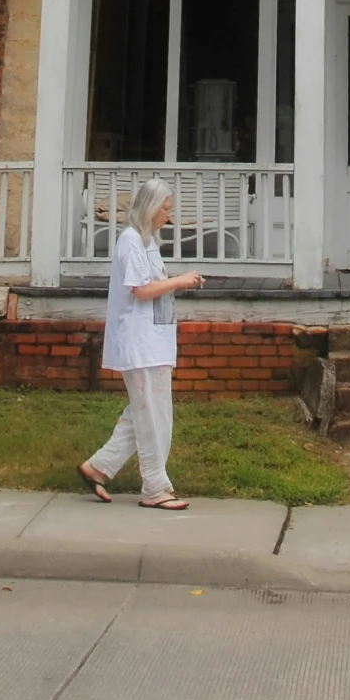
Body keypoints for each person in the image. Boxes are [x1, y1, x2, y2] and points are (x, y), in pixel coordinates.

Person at [77, 178, 203, 510]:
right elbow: (141, 290)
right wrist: (180, 280)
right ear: (149, 208)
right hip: (139, 340)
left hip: (155, 339)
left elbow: (153, 286)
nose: (169, 215)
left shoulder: (147, 242)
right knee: (152, 416)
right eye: (165, 208)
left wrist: (179, 281)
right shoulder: (131, 241)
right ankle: (155, 488)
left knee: (146, 413)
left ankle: (98, 467)